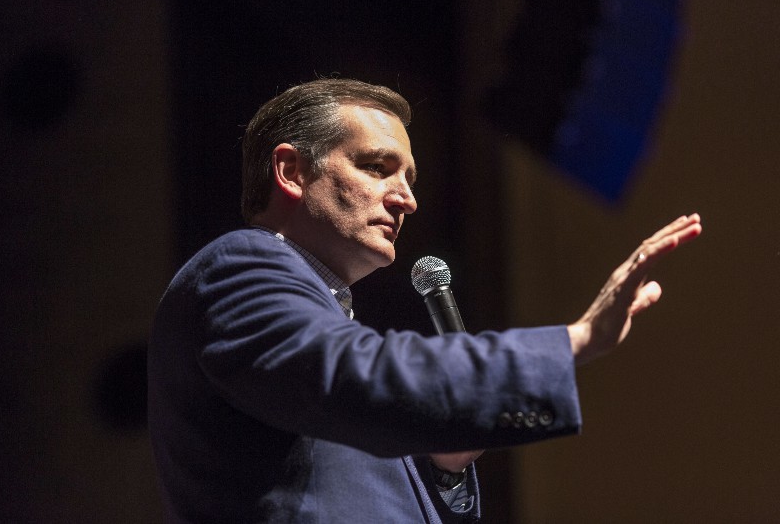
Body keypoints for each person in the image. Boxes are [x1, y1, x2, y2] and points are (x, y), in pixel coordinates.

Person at [148, 78, 701, 523]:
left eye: (409, 178)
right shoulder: (239, 268)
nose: (407, 199)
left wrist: (447, 469)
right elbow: (356, 379)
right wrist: (573, 341)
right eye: (376, 167)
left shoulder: (323, 314)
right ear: (292, 171)